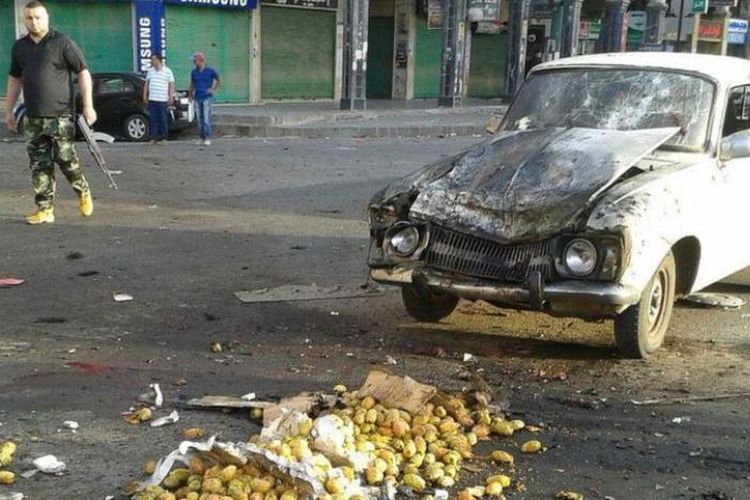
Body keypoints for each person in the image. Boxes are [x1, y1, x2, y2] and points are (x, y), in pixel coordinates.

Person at [4, 0, 96, 225]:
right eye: (29, 18)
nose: (33, 22)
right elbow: (15, 79)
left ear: (47, 18)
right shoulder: (20, 47)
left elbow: (83, 73)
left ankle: (82, 191)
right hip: (33, 116)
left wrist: (88, 105)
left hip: (60, 115)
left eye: (38, 17)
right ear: (23, 19)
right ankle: (45, 210)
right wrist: (9, 111)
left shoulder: (62, 43)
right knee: (39, 164)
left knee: (65, 158)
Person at [188, 52, 220, 146]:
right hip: (197, 97)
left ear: (200, 60)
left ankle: (207, 137)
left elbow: (218, 79)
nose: (194, 62)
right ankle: (201, 137)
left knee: (206, 118)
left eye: (195, 60)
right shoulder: (194, 72)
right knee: (199, 118)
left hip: (206, 97)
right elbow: (192, 84)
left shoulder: (210, 70)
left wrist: (212, 89)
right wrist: (190, 95)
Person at [142, 53, 174, 144]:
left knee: (163, 119)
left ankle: (164, 138)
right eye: (152, 59)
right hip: (153, 98)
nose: (152, 61)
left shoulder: (167, 71)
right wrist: (145, 95)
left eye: (154, 59)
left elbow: (171, 84)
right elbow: (146, 84)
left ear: (159, 60)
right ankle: (153, 137)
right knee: (153, 119)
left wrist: (170, 96)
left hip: (162, 99)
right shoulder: (150, 71)